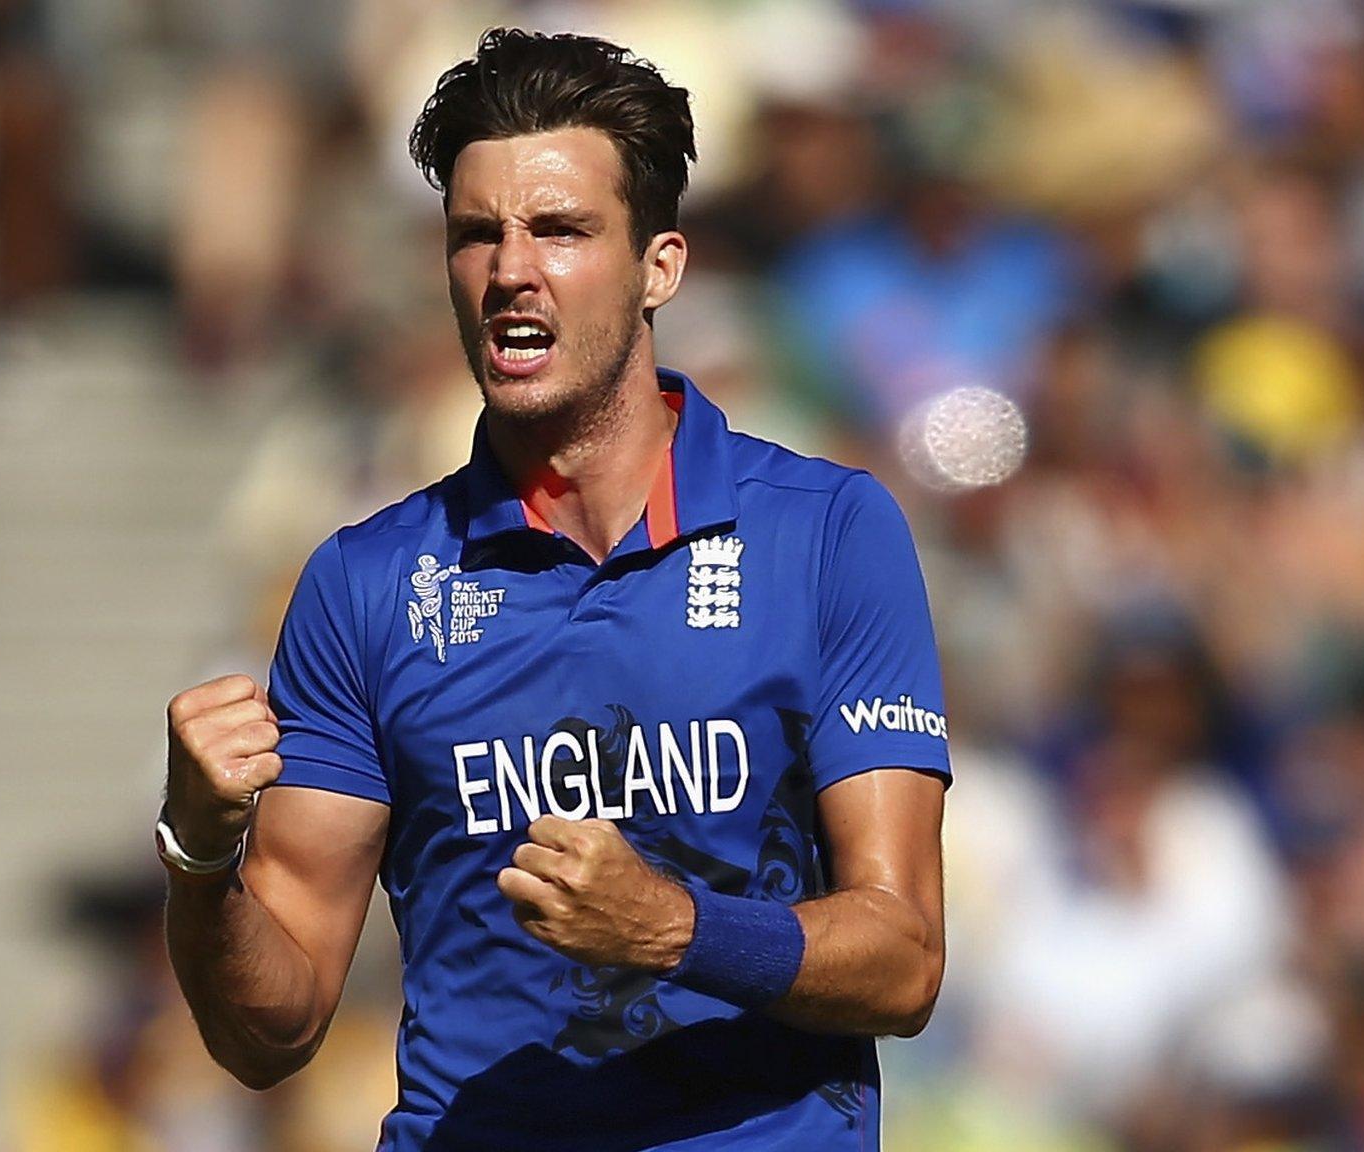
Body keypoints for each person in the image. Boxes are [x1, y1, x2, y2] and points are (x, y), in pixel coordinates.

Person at [160, 30, 951, 1150]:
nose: (510, 270)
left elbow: (905, 958)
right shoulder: (365, 582)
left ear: (658, 266)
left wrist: (673, 927)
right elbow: (269, 1032)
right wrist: (198, 860)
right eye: (476, 235)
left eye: (561, 231)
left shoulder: (825, 534)